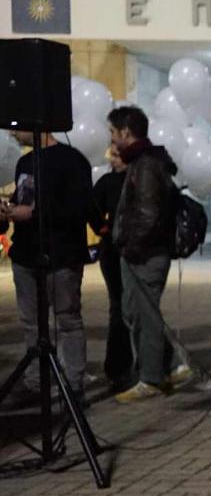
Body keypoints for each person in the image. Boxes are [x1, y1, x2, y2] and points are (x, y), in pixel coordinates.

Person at [0, 131, 92, 403]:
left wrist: (33, 213)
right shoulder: (25, 162)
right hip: (25, 256)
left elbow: (78, 209)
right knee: (31, 324)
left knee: (67, 321)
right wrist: (9, 210)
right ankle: (35, 383)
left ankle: (73, 387)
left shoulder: (72, 160)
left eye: (17, 125)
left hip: (61, 256)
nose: (12, 131)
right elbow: (26, 199)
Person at [108, 106, 191, 403]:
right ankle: (170, 366)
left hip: (145, 254)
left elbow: (147, 214)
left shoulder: (145, 165)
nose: (111, 139)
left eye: (113, 132)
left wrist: (130, 248)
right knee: (135, 312)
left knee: (145, 315)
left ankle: (152, 378)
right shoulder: (143, 162)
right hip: (142, 252)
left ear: (126, 132)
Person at [88, 145, 133, 392]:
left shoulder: (139, 180)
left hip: (136, 251)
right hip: (113, 254)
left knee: (137, 308)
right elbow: (90, 206)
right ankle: (118, 369)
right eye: (112, 156)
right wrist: (103, 229)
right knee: (118, 307)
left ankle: (147, 362)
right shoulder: (107, 182)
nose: (114, 160)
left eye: (118, 155)